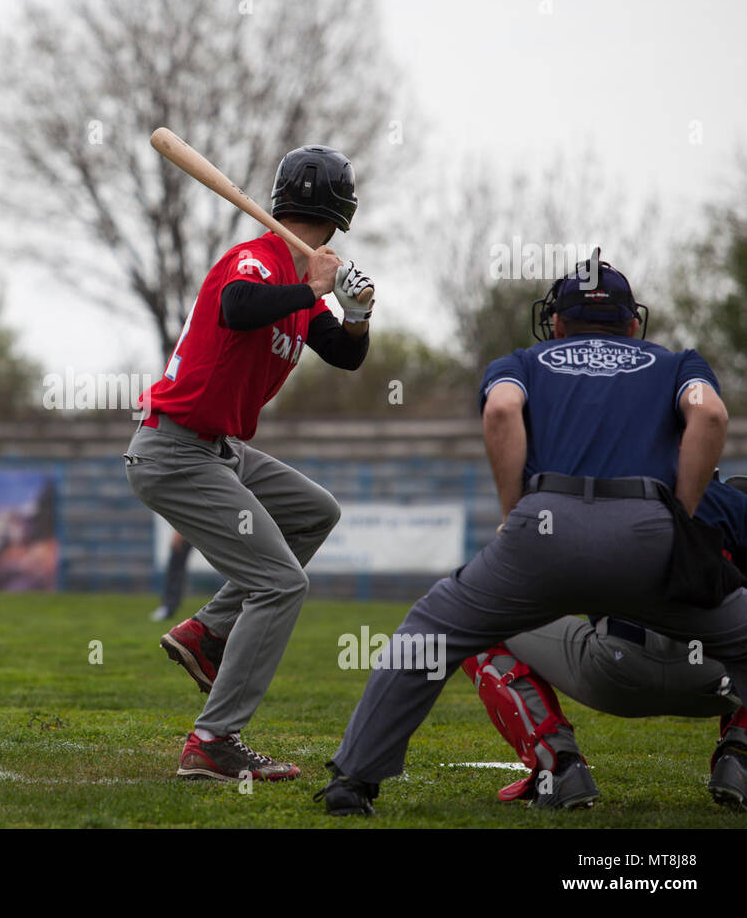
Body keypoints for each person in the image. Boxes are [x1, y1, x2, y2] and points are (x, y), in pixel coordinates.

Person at [318, 250, 747, 815]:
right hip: (649, 530)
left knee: (428, 632)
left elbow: (501, 413)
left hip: (544, 525)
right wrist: (682, 517)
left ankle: (354, 780)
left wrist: (514, 513)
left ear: (559, 322)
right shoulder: (674, 363)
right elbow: (711, 416)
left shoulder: (526, 360)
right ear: (633, 323)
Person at [126, 145, 375, 782]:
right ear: (343, 213)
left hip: (220, 449)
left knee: (317, 512)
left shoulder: (293, 279)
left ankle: (206, 632)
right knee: (281, 584)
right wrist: (312, 285)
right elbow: (238, 306)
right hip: (177, 448)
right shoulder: (256, 260)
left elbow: (345, 357)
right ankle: (214, 740)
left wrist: (357, 315)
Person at [462, 471, 747, 809]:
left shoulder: (591, 499)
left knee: (473, 619)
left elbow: (530, 583)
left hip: (614, 671)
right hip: (717, 678)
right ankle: (740, 754)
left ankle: (558, 765)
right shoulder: (733, 503)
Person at [150, 531, 194, 622]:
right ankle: (168, 607)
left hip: (193, 526)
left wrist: (179, 532)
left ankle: (169, 607)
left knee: (176, 564)